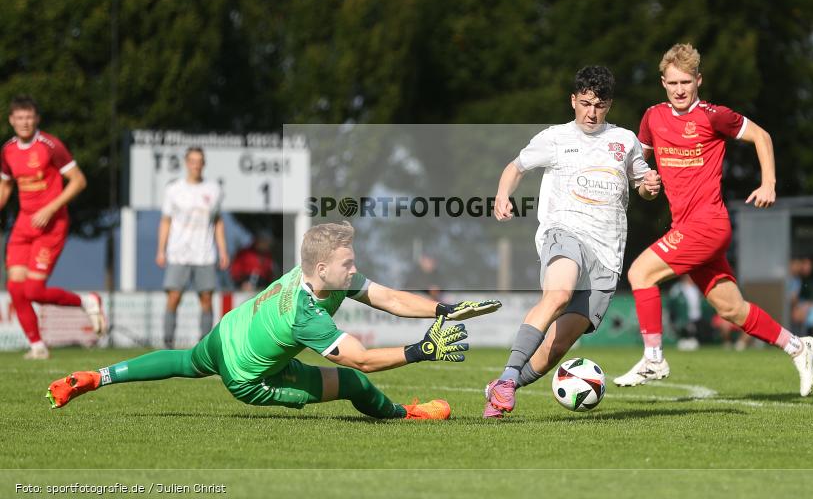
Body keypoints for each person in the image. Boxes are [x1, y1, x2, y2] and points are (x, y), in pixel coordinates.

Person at [47, 221, 502, 420]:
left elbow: (387, 297)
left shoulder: (315, 274)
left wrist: (442, 310)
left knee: (185, 361)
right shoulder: (307, 315)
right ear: (323, 268)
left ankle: (97, 376)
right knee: (354, 385)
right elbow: (361, 361)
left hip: (227, 332)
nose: (355, 268)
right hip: (249, 378)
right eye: (348, 262)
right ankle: (405, 415)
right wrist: (421, 351)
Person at [614, 43, 813, 396]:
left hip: (708, 224)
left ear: (699, 81)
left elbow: (762, 136)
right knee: (732, 309)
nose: (680, 90)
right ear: (663, 83)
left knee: (640, 273)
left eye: (686, 82)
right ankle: (798, 347)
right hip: (686, 228)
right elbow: (642, 178)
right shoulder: (652, 118)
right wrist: (646, 186)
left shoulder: (714, 116)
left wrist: (769, 183)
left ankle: (653, 358)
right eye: (673, 83)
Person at [482, 65, 661, 418]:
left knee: (560, 343)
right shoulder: (555, 138)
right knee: (559, 295)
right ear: (573, 101)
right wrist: (502, 195)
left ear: (609, 105)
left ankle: (502, 387)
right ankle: (508, 376)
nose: (592, 113)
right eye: (585, 103)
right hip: (564, 232)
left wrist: (649, 188)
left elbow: (642, 184)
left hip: (607, 254)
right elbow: (516, 167)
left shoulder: (624, 140)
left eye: (600, 105)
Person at [0, 95, 105, 360]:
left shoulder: (51, 146)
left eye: (29, 117)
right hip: (24, 225)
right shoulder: (8, 150)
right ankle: (37, 346)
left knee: (33, 291)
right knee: (16, 289)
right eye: (19, 118)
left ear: (36, 119)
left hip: (52, 225)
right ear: (11, 120)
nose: (24, 122)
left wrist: (50, 208)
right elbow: (6, 184)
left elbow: (79, 181)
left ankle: (87, 302)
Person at [156, 147, 229, 348]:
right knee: (173, 297)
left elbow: (218, 222)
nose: (196, 165)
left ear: (204, 164)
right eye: (192, 161)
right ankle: (168, 345)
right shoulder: (174, 189)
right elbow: (165, 221)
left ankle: (204, 347)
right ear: (186, 163)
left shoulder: (214, 189)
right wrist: (161, 250)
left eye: (199, 161)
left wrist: (223, 250)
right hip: (178, 253)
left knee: (206, 298)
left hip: (204, 254)